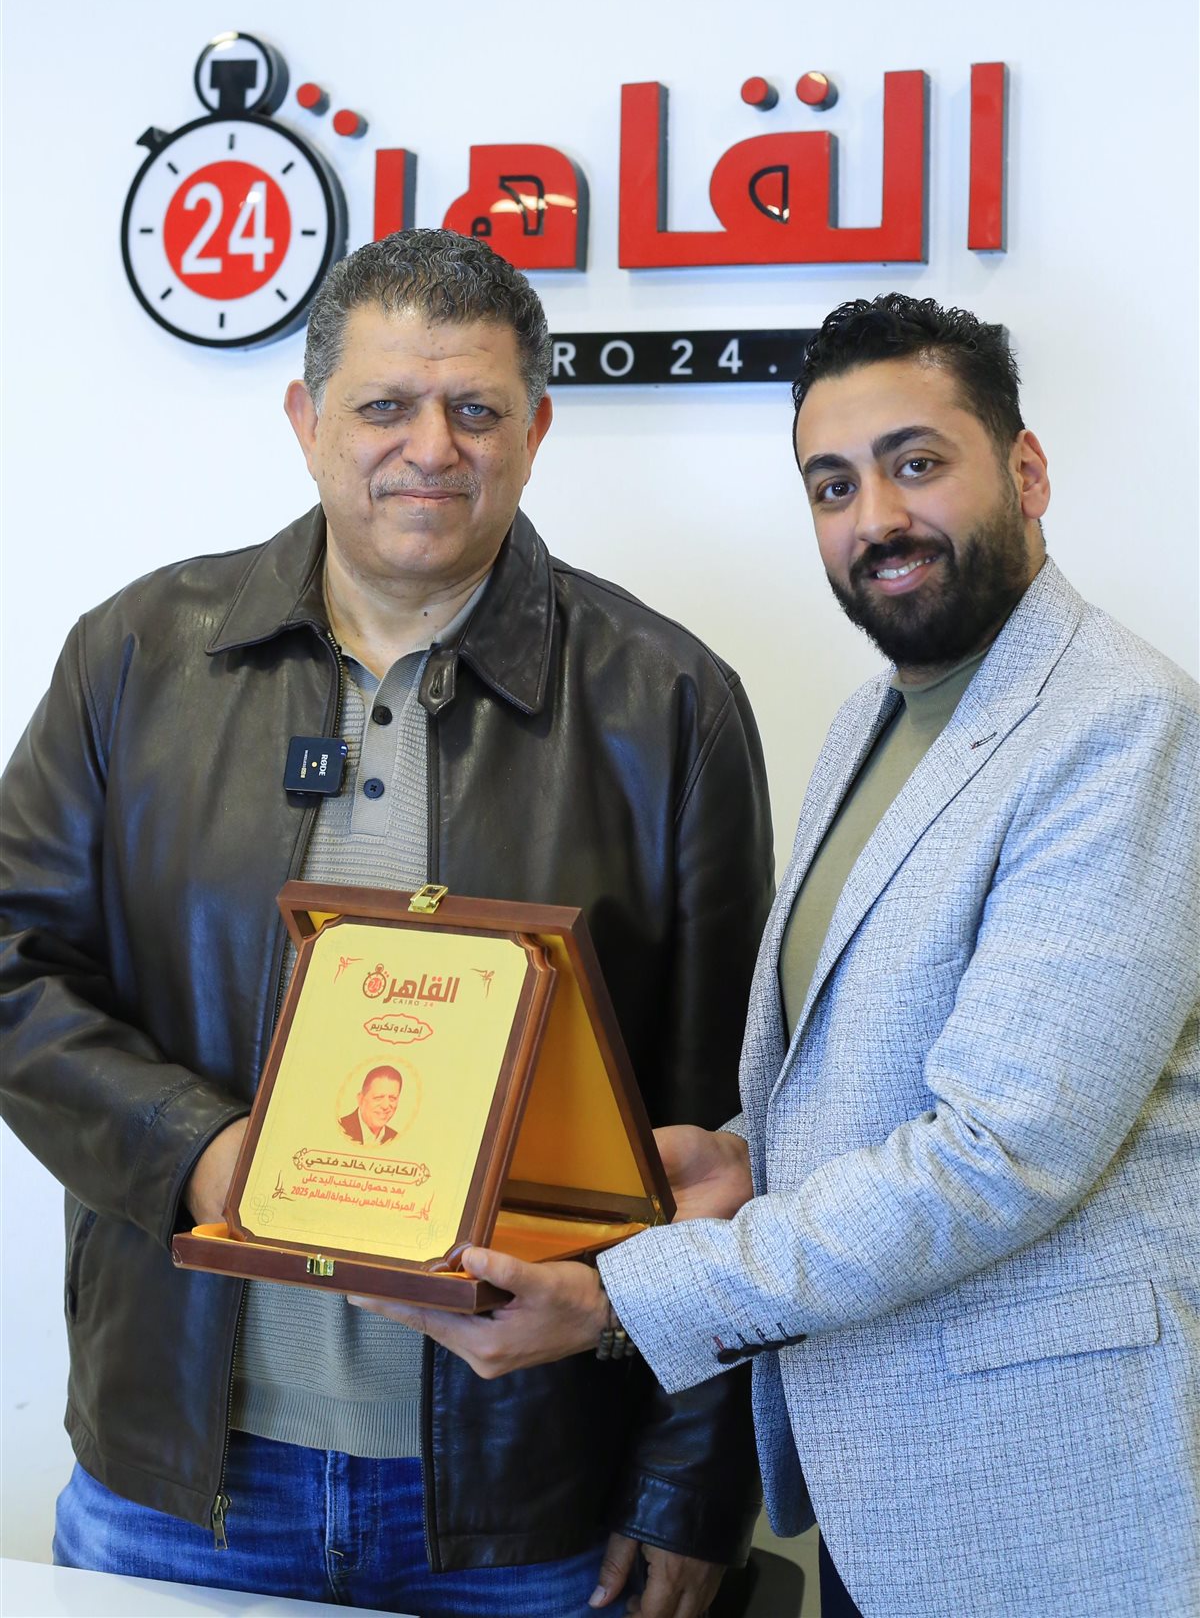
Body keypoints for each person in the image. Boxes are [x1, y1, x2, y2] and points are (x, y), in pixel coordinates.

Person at [361, 295, 1200, 1616]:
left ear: (1027, 470)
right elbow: (884, 1066)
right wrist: (748, 1156)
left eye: (917, 462)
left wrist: (618, 1300)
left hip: (1050, 1500)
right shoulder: (875, 720)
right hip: (885, 1483)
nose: (878, 518)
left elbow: (998, 1155)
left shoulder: (1124, 727)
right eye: (834, 484)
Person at [0, 230, 774, 1618]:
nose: (432, 447)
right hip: (184, 1480)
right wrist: (200, 1155)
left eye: (476, 408)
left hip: (531, 1495)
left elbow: (730, 1119)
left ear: (535, 431)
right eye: (385, 405)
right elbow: (11, 966)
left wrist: (688, 1483)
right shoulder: (136, 658)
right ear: (306, 419)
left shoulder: (668, 701)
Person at [340, 1065, 402, 1146]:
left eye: (392, 1098)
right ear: (361, 1099)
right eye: (378, 1097)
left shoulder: (396, 1139)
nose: (385, 1106)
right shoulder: (339, 1129)